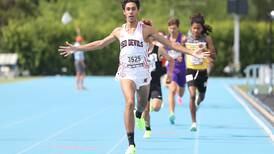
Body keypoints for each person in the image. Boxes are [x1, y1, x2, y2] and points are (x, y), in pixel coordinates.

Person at [59, 1, 208, 153]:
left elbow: (170, 44)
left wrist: (191, 52)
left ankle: (139, 114)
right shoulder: (119, 31)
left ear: (138, 11)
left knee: (142, 104)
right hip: (126, 73)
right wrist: (77, 48)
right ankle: (131, 144)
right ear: (124, 12)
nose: (130, 12)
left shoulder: (146, 30)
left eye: (133, 9)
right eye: (128, 9)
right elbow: (100, 43)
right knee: (129, 102)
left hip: (143, 73)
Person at [141, 20, 175, 139]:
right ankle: (148, 129)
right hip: (142, 84)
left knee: (156, 107)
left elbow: (171, 60)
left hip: (155, 84)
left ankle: (144, 111)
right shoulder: (137, 49)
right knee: (145, 110)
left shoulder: (158, 49)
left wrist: (169, 74)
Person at [183, 13, 216, 132]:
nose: (196, 30)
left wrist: (207, 53)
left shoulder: (207, 39)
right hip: (190, 70)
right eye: (194, 28)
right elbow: (180, 50)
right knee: (191, 95)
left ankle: (199, 100)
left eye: (198, 28)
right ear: (191, 28)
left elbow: (213, 55)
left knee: (201, 96)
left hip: (202, 72)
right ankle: (193, 123)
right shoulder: (186, 39)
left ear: (202, 28)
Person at [165, 18, 186, 125]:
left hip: (182, 69)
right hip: (171, 69)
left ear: (178, 28)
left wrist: (182, 53)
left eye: (174, 28)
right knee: (172, 90)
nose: (172, 30)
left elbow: (189, 50)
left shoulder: (183, 39)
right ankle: (171, 113)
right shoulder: (166, 39)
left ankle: (181, 92)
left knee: (181, 93)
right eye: (170, 28)